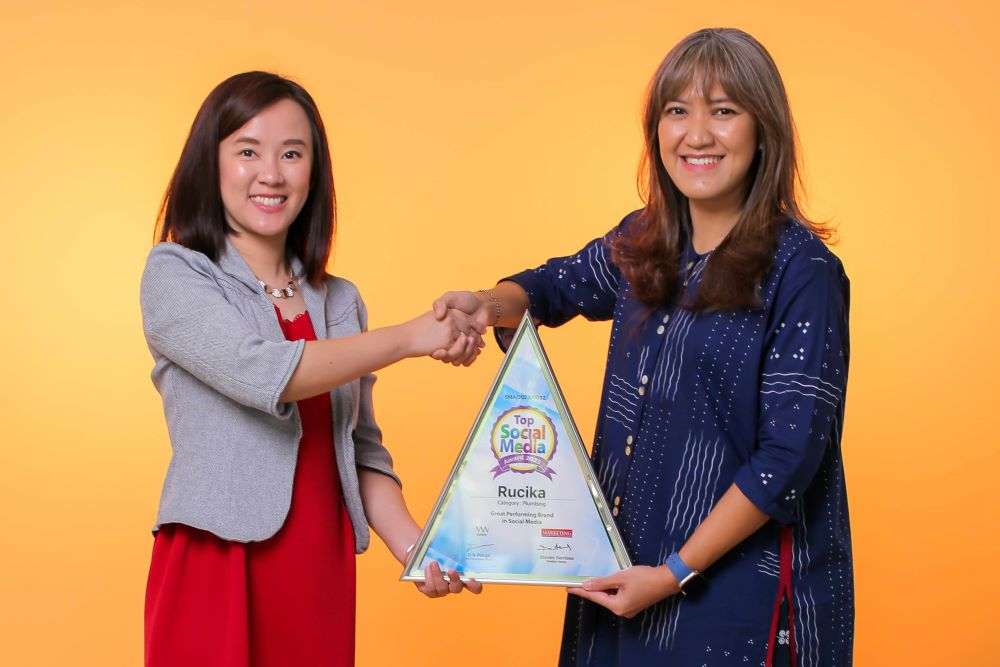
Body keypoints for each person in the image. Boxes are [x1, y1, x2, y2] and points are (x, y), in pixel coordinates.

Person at [433, 28, 853, 666]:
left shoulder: (803, 272)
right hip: (624, 574)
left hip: (738, 598)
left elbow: (786, 460)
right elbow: (552, 287)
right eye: (677, 111)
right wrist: (484, 305)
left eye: (723, 111)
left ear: (763, 130)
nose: (697, 135)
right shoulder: (646, 240)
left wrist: (674, 572)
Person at [140, 71, 483, 667]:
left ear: (313, 171)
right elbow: (262, 372)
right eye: (248, 151)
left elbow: (360, 449)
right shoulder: (176, 273)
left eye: (292, 154)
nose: (271, 174)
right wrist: (409, 338)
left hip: (316, 566)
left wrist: (416, 546)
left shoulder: (340, 301)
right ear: (209, 163)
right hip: (217, 561)